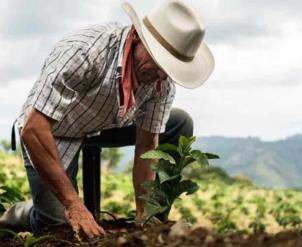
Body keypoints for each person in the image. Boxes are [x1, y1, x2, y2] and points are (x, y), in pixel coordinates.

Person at [0, 0, 214, 239]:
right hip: (53, 130)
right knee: (56, 226)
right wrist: (73, 204)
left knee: (179, 122)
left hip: (106, 124)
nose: (161, 75)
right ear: (135, 37)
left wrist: (145, 213)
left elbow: (147, 145)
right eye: (159, 61)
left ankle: (156, 222)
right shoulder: (84, 52)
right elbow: (34, 129)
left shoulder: (160, 82)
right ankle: (22, 212)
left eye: (170, 68)